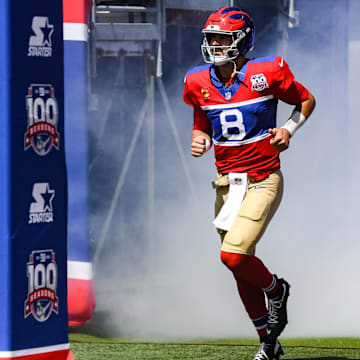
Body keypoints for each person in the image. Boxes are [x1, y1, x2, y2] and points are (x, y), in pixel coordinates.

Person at [183, 6, 315, 360]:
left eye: (222, 38)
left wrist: (287, 129)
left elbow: (305, 99)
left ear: (241, 41)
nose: (213, 44)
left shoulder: (266, 71)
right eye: (210, 37)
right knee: (238, 268)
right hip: (226, 185)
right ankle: (268, 344)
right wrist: (199, 136)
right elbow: (201, 119)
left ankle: (277, 290)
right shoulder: (197, 81)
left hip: (262, 179)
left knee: (233, 254)